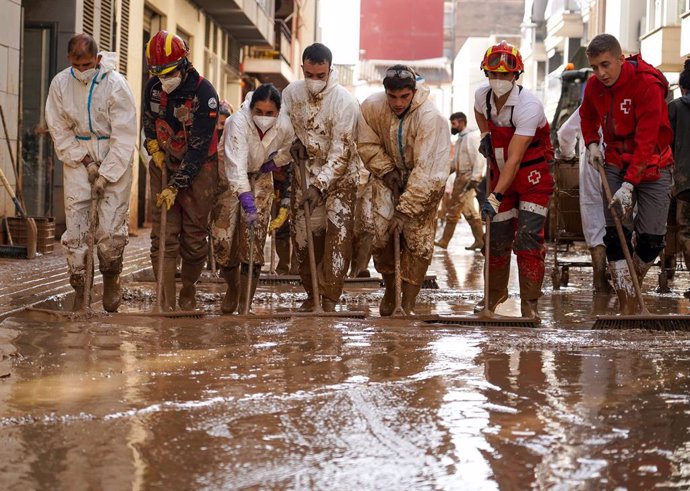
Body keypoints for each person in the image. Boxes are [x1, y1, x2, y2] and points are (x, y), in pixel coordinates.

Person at [580, 34, 673, 314]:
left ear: (621, 59)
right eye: (595, 67)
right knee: (615, 231)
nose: (600, 73)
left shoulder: (647, 85)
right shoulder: (594, 86)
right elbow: (587, 116)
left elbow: (646, 142)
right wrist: (592, 143)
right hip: (615, 162)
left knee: (652, 240)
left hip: (654, 163)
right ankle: (626, 303)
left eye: (606, 65)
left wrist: (630, 185)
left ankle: (632, 277)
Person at [45, 33, 136, 312]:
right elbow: (58, 129)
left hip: (114, 159)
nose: (82, 70)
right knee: (76, 231)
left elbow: (124, 136)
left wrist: (106, 174)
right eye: (77, 64)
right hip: (77, 160)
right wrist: (85, 161)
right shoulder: (60, 84)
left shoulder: (116, 86)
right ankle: (81, 288)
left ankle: (111, 279)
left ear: (97, 59)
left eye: (87, 64)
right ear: (69, 60)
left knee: (109, 230)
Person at [358, 64, 450, 315]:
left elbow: (429, 171)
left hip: (425, 182)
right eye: (392, 96)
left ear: (413, 92)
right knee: (380, 235)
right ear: (385, 92)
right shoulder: (371, 107)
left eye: (404, 97)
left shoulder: (431, 118)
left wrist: (406, 211)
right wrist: (387, 171)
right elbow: (366, 143)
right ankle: (390, 289)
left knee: (418, 241)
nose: (397, 103)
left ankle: (408, 303)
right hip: (388, 176)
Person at [474, 41, 555, 320]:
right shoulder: (482, 97)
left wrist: (494, 197)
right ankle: (494, 295)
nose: (498, 80)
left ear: (516, 75)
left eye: (504, 75)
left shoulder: (528, 106)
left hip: (532, 178)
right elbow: (478, 113)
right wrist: (486, 135)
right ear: (486, 73)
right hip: (500, 172)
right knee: (495, 238)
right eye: (493, 74)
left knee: (528, 237)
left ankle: (529, 303)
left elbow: (516, 159)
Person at [142, 30, 219, 311]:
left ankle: (188, 288)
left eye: (169, 73)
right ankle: (165, 300)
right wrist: (153, 148)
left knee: (194, 238)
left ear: (184, 64)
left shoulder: (205, 94)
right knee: (163, 234)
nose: (165, 80)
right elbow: (149, 124)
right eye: (159, 74)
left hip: (200, 170)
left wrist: (176, 185)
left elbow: (198, 149)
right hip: (164, 163)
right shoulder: (153, 88)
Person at [281, 43, 361, 312]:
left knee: (337, 237)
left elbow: (342, 152)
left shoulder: (345, 102)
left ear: (330, 70)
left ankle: (329, 297)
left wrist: (319, 186)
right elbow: (283, 127)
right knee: (303, 238)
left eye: (321, 75)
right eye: (310, 74)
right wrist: (292, 142)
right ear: (303, 68)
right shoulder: (291, 93)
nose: (314, 81)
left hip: (340, 177)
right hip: (305, 172)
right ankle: (311, 292)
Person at [220, 84, 294, 312]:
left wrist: (274, 162)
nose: (264, 117)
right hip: (229, 175)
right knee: (222, 240)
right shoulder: (237, 122)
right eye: (259, 112)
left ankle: (245, 303)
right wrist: (246, 200)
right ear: (251, 108)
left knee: (254, 241)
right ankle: (233, 288)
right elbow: (236, 166)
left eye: (269, 113)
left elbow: (292, 148)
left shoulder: (284, 125)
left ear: (278, 112)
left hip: (262, 174)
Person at [557, 107, 612, 294]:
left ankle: (599, 280)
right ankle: (623, 281)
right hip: (620, 166)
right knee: (624, 219)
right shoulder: (629, 98)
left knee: (595, 220)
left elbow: (564, 133)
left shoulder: (588, 106)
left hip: (591, 167)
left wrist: (569, 154)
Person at [435, 111, 485, 250]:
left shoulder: (471, 138)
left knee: (454, 210)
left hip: (467, 178)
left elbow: (479, 159)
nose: (453, 126)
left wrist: (475, 179)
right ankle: (480, 241)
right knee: (468, 211)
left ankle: (445, 241)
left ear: (462, 122)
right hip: (460, 177)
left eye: (454, 123)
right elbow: (455, 162)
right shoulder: (461, 139)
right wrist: (443, 171)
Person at [668, 58, 690, 297]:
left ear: (683, 88)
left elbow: (664, 143)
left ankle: (669, 268)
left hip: (684, 183)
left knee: (684, 230)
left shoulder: (674, 109)